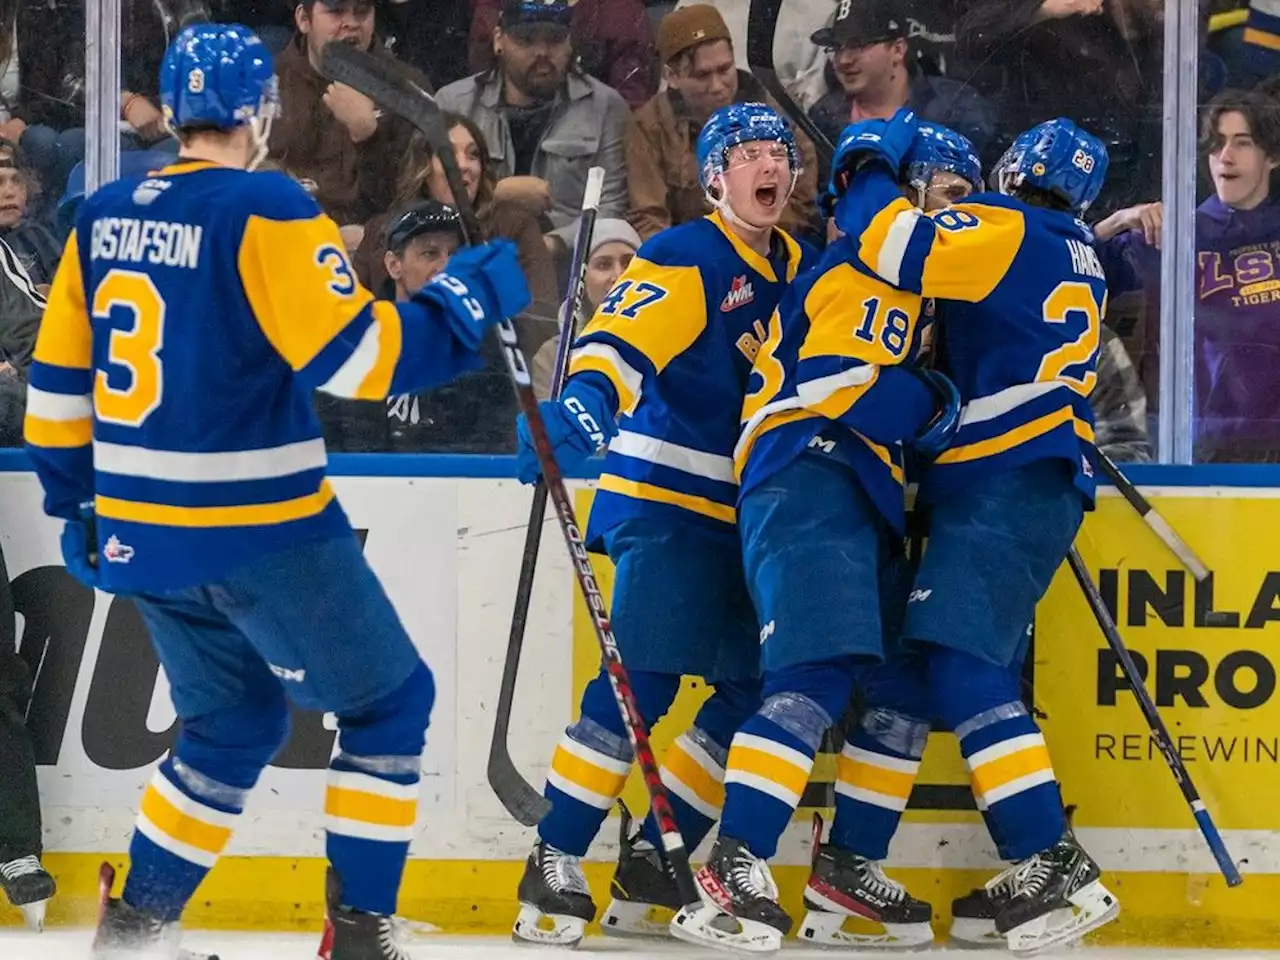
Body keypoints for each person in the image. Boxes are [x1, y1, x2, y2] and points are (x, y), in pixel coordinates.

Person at [23, 22, 529, 960]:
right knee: (392, 703)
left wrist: (74, 503)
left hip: (146, 534)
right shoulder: (268, 209)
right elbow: (364, 361)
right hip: (264, 527)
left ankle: (132, 936)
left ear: (171, 112)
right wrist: (465, 301)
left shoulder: (98, 214)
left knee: (234, 722)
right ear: (259, 111)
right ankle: (362, 933)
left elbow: (57, 393)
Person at [508, 102, 813, 947]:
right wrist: (584, 402)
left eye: (778, 153)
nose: (768, 166)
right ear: (715, 178)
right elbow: (622, 339)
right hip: (669, 498)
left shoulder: (804, 268)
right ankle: (554, 855)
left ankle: (650, 859)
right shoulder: (686, 253)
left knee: (752, 689)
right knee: (640, 680)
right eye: (747, 152)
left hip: (750, 514)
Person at [668, 124, 970, 954]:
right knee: (814, 670)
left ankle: (844, 874)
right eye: (948, 196)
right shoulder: (873, 266)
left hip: (860, 486)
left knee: (904, 688)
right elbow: (836, 383)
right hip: (808, 469)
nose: (961, 216)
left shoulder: (917, 288)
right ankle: (736, 858)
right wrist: (933, 402)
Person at [828, 110, 1120, 953]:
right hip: (1015, 478)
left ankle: (1048, 858)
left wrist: (870, 162)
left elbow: (896, 245)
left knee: (960, 661)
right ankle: (848, 866)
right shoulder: (1075, 246)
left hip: (1008, 476)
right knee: (912, 675)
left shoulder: (1005, 224)